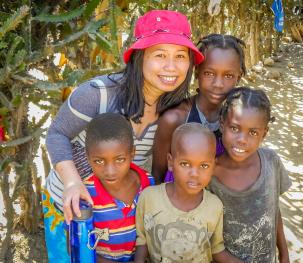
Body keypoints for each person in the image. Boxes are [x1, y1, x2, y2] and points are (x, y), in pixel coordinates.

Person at [42, 10, 204, 262]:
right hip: (71, 207)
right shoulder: (97, 94)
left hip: (121, 215)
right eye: (160, 55)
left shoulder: (173, 113)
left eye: (180, 56)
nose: (171, 67)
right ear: (139, 58)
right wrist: (73, 182)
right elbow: (57, 134)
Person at [134, 123, 243, 263]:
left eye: (204, 166)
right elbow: (141, 241)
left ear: (213, 167)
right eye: (185, 164)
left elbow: (216, 249)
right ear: (171, 162)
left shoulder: (214, 206)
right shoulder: (149, 198)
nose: (194, 174)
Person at [207, 87, 291, 263]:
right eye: (235, 128)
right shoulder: (208, 175)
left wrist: (284, 253)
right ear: (222, 125)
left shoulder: (271, 162)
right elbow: (208, 239)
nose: (242, 139)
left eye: (253, 132)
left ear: (264, 134)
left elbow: (274, 209)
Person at [152, 33, 246, 183]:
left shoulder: (237, 119)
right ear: (197, 72)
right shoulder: (174, 119)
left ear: (238, 77)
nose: (218, 84)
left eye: (228, 76)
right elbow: (158, 175)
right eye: (209, 73)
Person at [83, 113, 154, 262]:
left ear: (132, 153)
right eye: (99, 161)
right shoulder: (84, 195)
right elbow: (76, 245)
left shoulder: (148, 184)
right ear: (88, 157)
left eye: (120, 159)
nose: (110, 171)